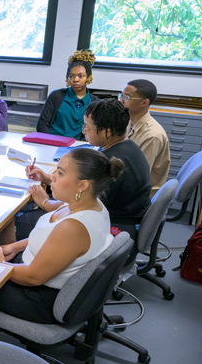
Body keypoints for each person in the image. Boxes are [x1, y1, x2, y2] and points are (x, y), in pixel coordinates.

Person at [0, 148, 120, 323]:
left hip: (36, 297)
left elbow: (32, 277)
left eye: (60, 173)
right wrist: (14, 246)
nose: (53, 178)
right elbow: (51, 240)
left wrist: (0, 267)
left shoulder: (73, 227)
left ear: (83, 185)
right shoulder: (88, 204)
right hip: (34, 274)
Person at [26, 99, 151, 259]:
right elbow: (79, 189)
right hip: (126, 219)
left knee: (22, 218)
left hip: (113, 228)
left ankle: (15, 261)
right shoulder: (125, 147)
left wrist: (45, 202)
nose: (83, 130)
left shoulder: (108, 163)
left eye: (87, 127)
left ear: (106, 131)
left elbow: (79, 207)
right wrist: (47, 178)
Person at [120, 79, 170, 195]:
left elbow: (137, 177)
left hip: (139, 195)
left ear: (144, 103)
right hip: (127, 185)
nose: (121, 100)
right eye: (121, 95)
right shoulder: (129, 122)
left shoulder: (152, 135)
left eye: (126, 97)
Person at [37, 50, 99, 139]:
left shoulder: (95, 102)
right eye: (71, 76)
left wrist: (79, 145)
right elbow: (42, 125)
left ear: (88, 78)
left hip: (77, 147)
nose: (75, 80)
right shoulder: (56, 96)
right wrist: (50, 142)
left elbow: (92, 131)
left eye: (80, 76)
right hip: (52, 144)